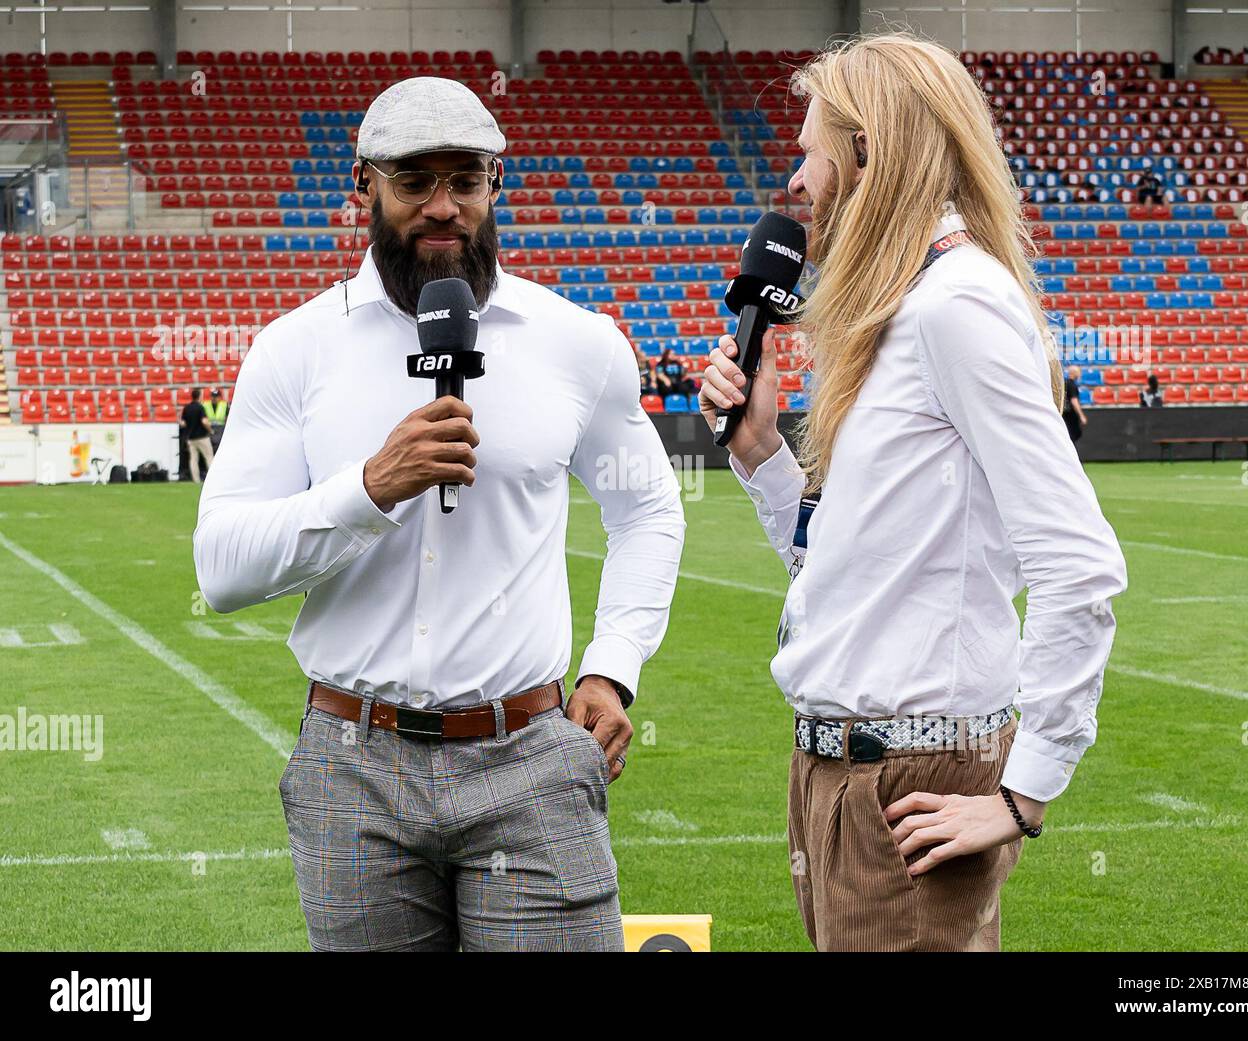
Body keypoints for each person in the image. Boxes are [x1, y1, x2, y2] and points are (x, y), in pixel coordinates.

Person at [193, 77, 686, 952]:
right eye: (414, 182)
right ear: (363, 189)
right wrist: (371, 487)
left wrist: (612, 666)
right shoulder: (294, 349)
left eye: (465, 180)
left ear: (498, 184)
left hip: (527, 752)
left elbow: (647, 508)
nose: (443, 207)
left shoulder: (577, 341)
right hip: (353, 757)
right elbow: (223, 569)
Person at [696, 34, 1127, 952]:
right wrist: (765, 453)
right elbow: (850, 572)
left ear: (867, 153)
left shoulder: (954, 304)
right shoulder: (899, 308)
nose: (797, 185)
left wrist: (1025, 789)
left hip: (912, 779)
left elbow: (1079, 563)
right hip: (836, 775)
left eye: (810, 153)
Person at [181, 387, 214, 482]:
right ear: (199, 396)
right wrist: (211, 430)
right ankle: (212, 480)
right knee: (209, 457)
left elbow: (183, 423)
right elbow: (204, 421)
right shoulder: (200, 407)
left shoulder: (187, 408)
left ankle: (196, 480)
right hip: (202, 437)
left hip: (191, 438)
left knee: (193, 460)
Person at [1063, 364, 1087, 444]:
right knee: (1073, 436)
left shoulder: (1064, 383)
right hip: (1070, 415)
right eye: (1079, 372)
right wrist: (1081, 415)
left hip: (1064, 414)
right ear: (1074, 373)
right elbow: (1074, 401)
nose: (1080, 374)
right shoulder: (1072, 385)